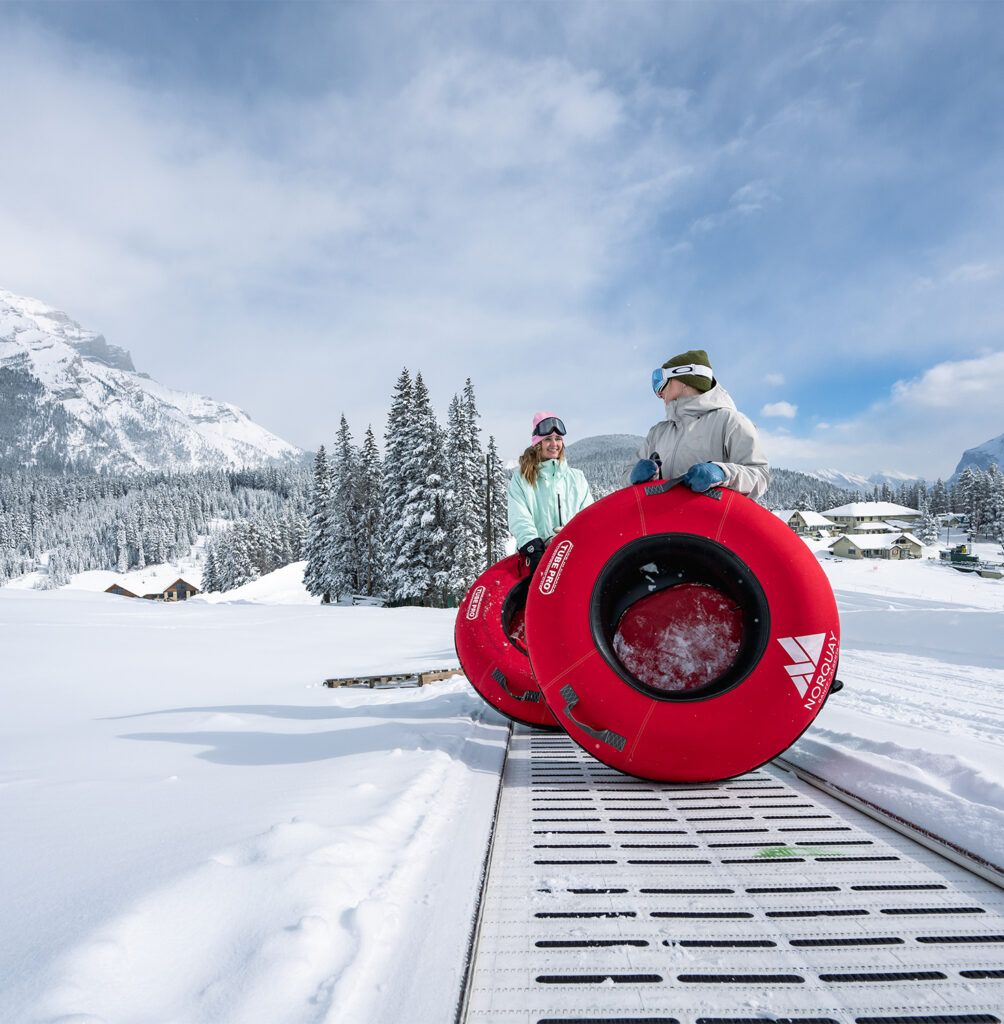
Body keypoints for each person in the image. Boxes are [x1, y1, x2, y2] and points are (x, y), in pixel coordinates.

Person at [629, 349, 769, 500]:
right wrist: (633, 477)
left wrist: (723, 473)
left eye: (661, 383)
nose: (658, 392)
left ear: (682, 380)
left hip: (711, 521)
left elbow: (759, 476)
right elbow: (627, 481)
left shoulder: (731, 422)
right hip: (661, 521)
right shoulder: (658, 432)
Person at [508, 412, 594, 573]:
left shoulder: (576, 478)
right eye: (547, 439)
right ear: (538, 444)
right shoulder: (521, 479)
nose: (554, 444)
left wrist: (573, 535)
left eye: (558, 439)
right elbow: (518, 517)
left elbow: (588, 517)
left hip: (572, 557)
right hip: (533, 559)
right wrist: (533, 548)